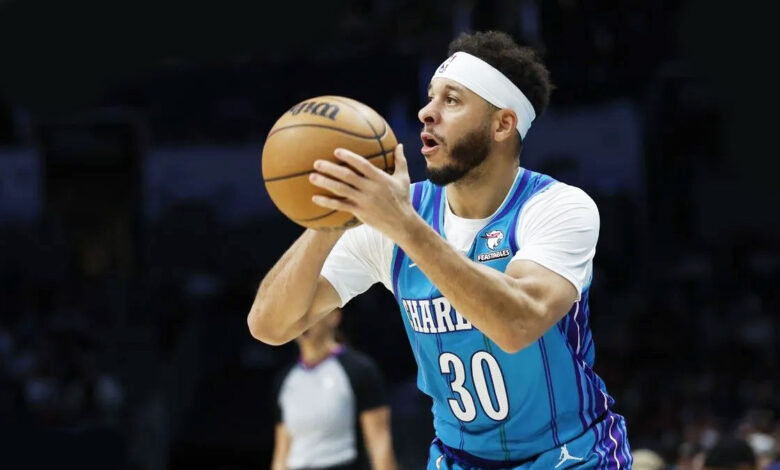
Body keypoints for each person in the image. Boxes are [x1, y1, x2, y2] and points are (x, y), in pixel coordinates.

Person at [249, 30, 632, 469]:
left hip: (569, 455)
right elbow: (269, 325)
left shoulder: (557, 207)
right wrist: (333, 217)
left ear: (502, 124)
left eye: (451, 100)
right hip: (458, 459)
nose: (426, 112)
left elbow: (517, 324)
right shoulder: (397, 215)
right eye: (431, 97)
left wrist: (404, 226)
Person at [271, 308, 398, 470]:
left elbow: (379, 442)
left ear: (334, 316)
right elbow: (281, 453)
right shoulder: (285, 380)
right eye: (298, 313)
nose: (302, 321)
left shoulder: (359, 370)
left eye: (310, 312)